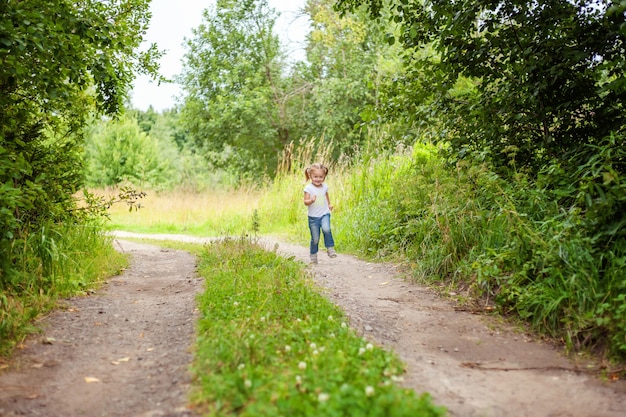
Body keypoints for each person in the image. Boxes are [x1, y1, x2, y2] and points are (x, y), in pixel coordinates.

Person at [303, 163, 337, 264]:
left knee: (326, 229)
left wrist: (329, 204)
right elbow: (305, 202)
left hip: (324, 213)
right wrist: (311, 200)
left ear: (324, 176)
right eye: (315, 177)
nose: (318, 179)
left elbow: (326, 195)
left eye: (321, 177)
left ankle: (330, 248)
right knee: (315, 238)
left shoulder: (325, 186)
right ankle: (313, 254)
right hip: (313, 218)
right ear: (310, 176)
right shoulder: (308, 188)